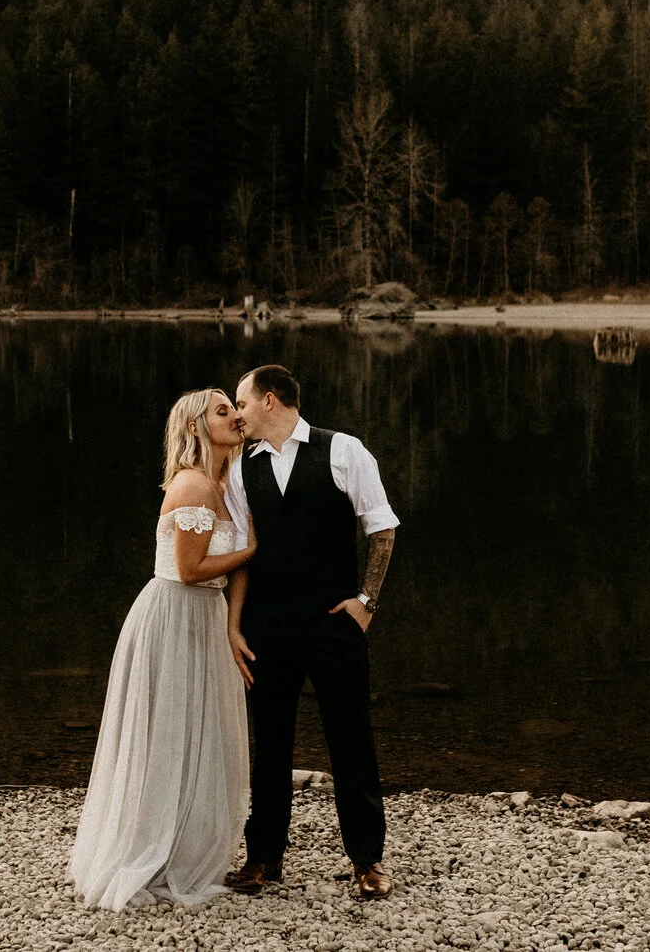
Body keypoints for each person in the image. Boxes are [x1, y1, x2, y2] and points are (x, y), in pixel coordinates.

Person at [68, 388, 260, 910]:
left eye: (235, 408)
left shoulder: (229, 484)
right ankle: (152, 851)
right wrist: (253, 547)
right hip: (173, 615)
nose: (236, 417)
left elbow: (236, 571)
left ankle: (187, 846)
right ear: (197, 426)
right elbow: (192, 568)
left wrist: (233, 626)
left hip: (207, 618)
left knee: (202, 733)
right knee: (168, 734)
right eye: (224, 411)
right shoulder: (195, 485)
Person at [222, 364, 401, 901]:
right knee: (269, 744)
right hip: (267, 628)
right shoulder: (239, 470)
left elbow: (383, 528)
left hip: (333, 624)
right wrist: (234, 627)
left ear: (271, 401)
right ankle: (262, 859)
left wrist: (366, 602)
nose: (236, 414)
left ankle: (367, 860)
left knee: (351, 740)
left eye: (242, 403)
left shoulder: (344, 451)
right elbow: (241, 559)